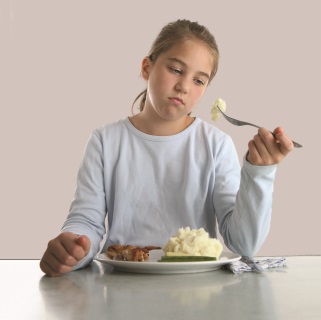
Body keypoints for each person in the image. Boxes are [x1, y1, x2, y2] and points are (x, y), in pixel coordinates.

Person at [40, 19, 294, 277]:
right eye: (175, 69)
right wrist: (73, 247)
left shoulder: (216, 145)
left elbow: (243, 244)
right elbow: (86, 222)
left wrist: (259, 174)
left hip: (198, 293)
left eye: (199, 81)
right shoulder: (105, 141)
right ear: (146, 67)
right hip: (120, 288)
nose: (184, 86)